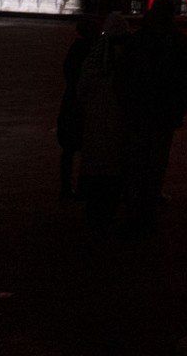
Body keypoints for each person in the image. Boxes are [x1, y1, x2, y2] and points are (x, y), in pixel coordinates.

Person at [118, 0, 187, 234]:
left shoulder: (138, 38)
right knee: (156, 162)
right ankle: (147, 210)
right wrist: (179, 110)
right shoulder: (179, 42)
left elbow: (122, 75)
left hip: (138, 110)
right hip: (163, 113)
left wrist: (125, 104)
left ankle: (131, 208)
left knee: (135, 160)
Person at [75, 14, 131, 230]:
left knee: (95, 163)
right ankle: (108, 210)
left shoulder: (95, 60)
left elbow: (81, 90)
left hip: (96, 121)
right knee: (114, 164)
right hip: (118, 121)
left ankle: (92, 209)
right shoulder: (128, 61)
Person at [56, 14, 99, 199]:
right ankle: (83, 186)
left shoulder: (76, 48)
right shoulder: (95, 50)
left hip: (71, 101)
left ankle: (66, 186)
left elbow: (68, 73)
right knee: (87, 148)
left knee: (69, 149)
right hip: (86, 104)